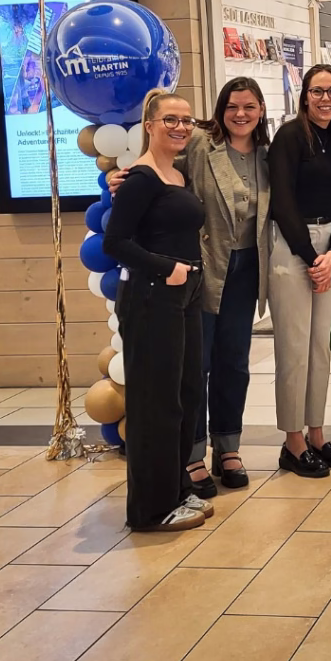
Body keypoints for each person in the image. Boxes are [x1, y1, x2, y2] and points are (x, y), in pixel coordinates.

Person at [109, 77, 272, 496]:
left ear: (260, 112)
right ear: (220, 110)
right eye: (233, 106)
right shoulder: (200, 145)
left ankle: (229, 446)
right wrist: (119, 180)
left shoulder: (268, 156)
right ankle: (193, 454)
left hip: (247, 269)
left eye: (249, 107)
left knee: (234, 361)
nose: (240, 114)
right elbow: (158, 175)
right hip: (203, 269)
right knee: (194, 365)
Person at [103, 89, 210, 532]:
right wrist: (168, 269)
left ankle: (177, 491)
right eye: (170, 119)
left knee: (183, 397)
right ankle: (150, 510)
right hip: (152, 299)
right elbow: (115, 243)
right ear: (149, 125)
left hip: (183, 298)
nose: (180, 127)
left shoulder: (176, 174)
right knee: (155, 405)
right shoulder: (140, 179)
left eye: (186, 120)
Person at [268, 65, 331, 477]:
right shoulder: (289, 137)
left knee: (321, 347)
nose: (325, 99)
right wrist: (309, 256)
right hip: (292, 248)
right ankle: (293, 440)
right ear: (304, 96)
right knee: (294, 348)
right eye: (318, 92)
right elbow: (281, 202)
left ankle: (317, 432)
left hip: (328, 251)